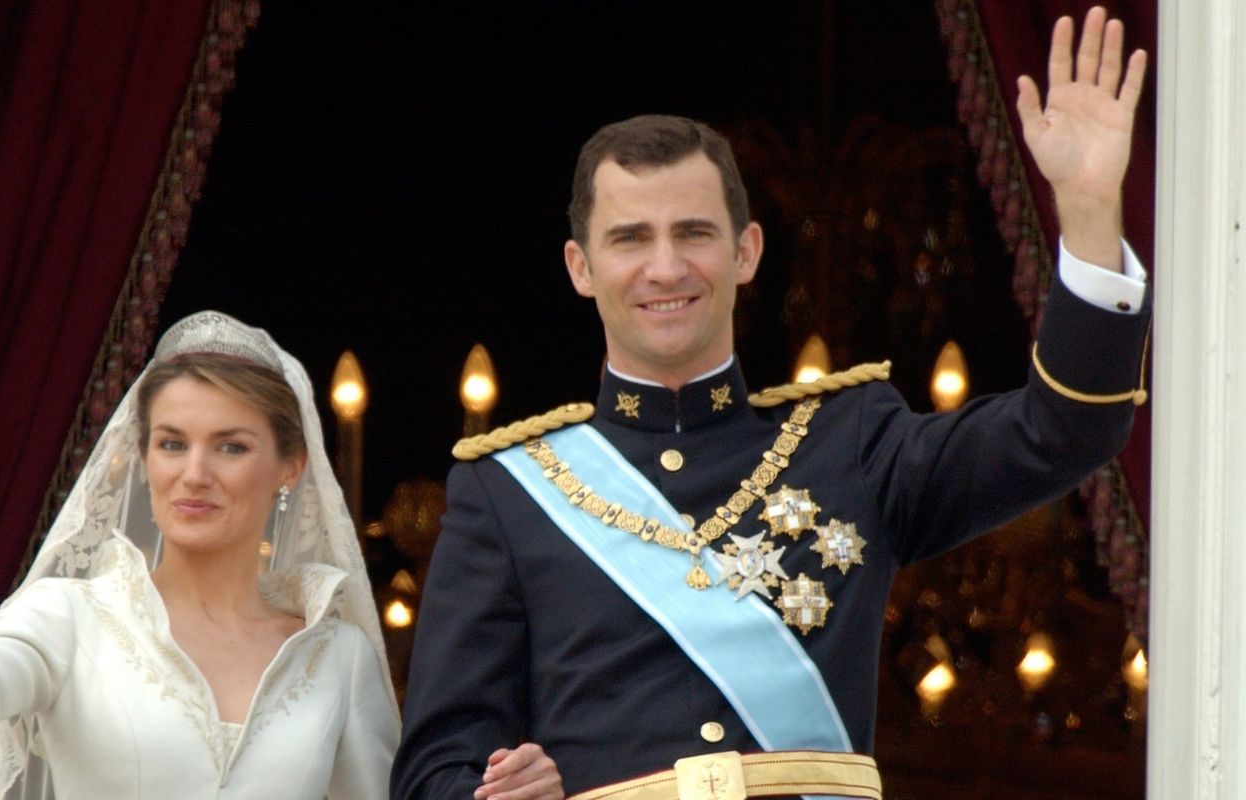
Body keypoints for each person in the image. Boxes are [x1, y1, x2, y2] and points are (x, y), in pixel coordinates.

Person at [392, 8, 1149, 800]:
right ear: (581, 267)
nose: (665, 267)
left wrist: (1091, 209)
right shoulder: (509, 493)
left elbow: (1066, 428)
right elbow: (433, 771)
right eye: (629, 239)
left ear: (746, 250)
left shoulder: (851, 442)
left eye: (694, 233)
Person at [0, 311, 409, 798]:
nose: (195, 473)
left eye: (231, 446)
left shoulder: (337, 655)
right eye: (172, 444)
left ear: (290, 467)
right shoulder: (70, 619)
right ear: (143, 459)